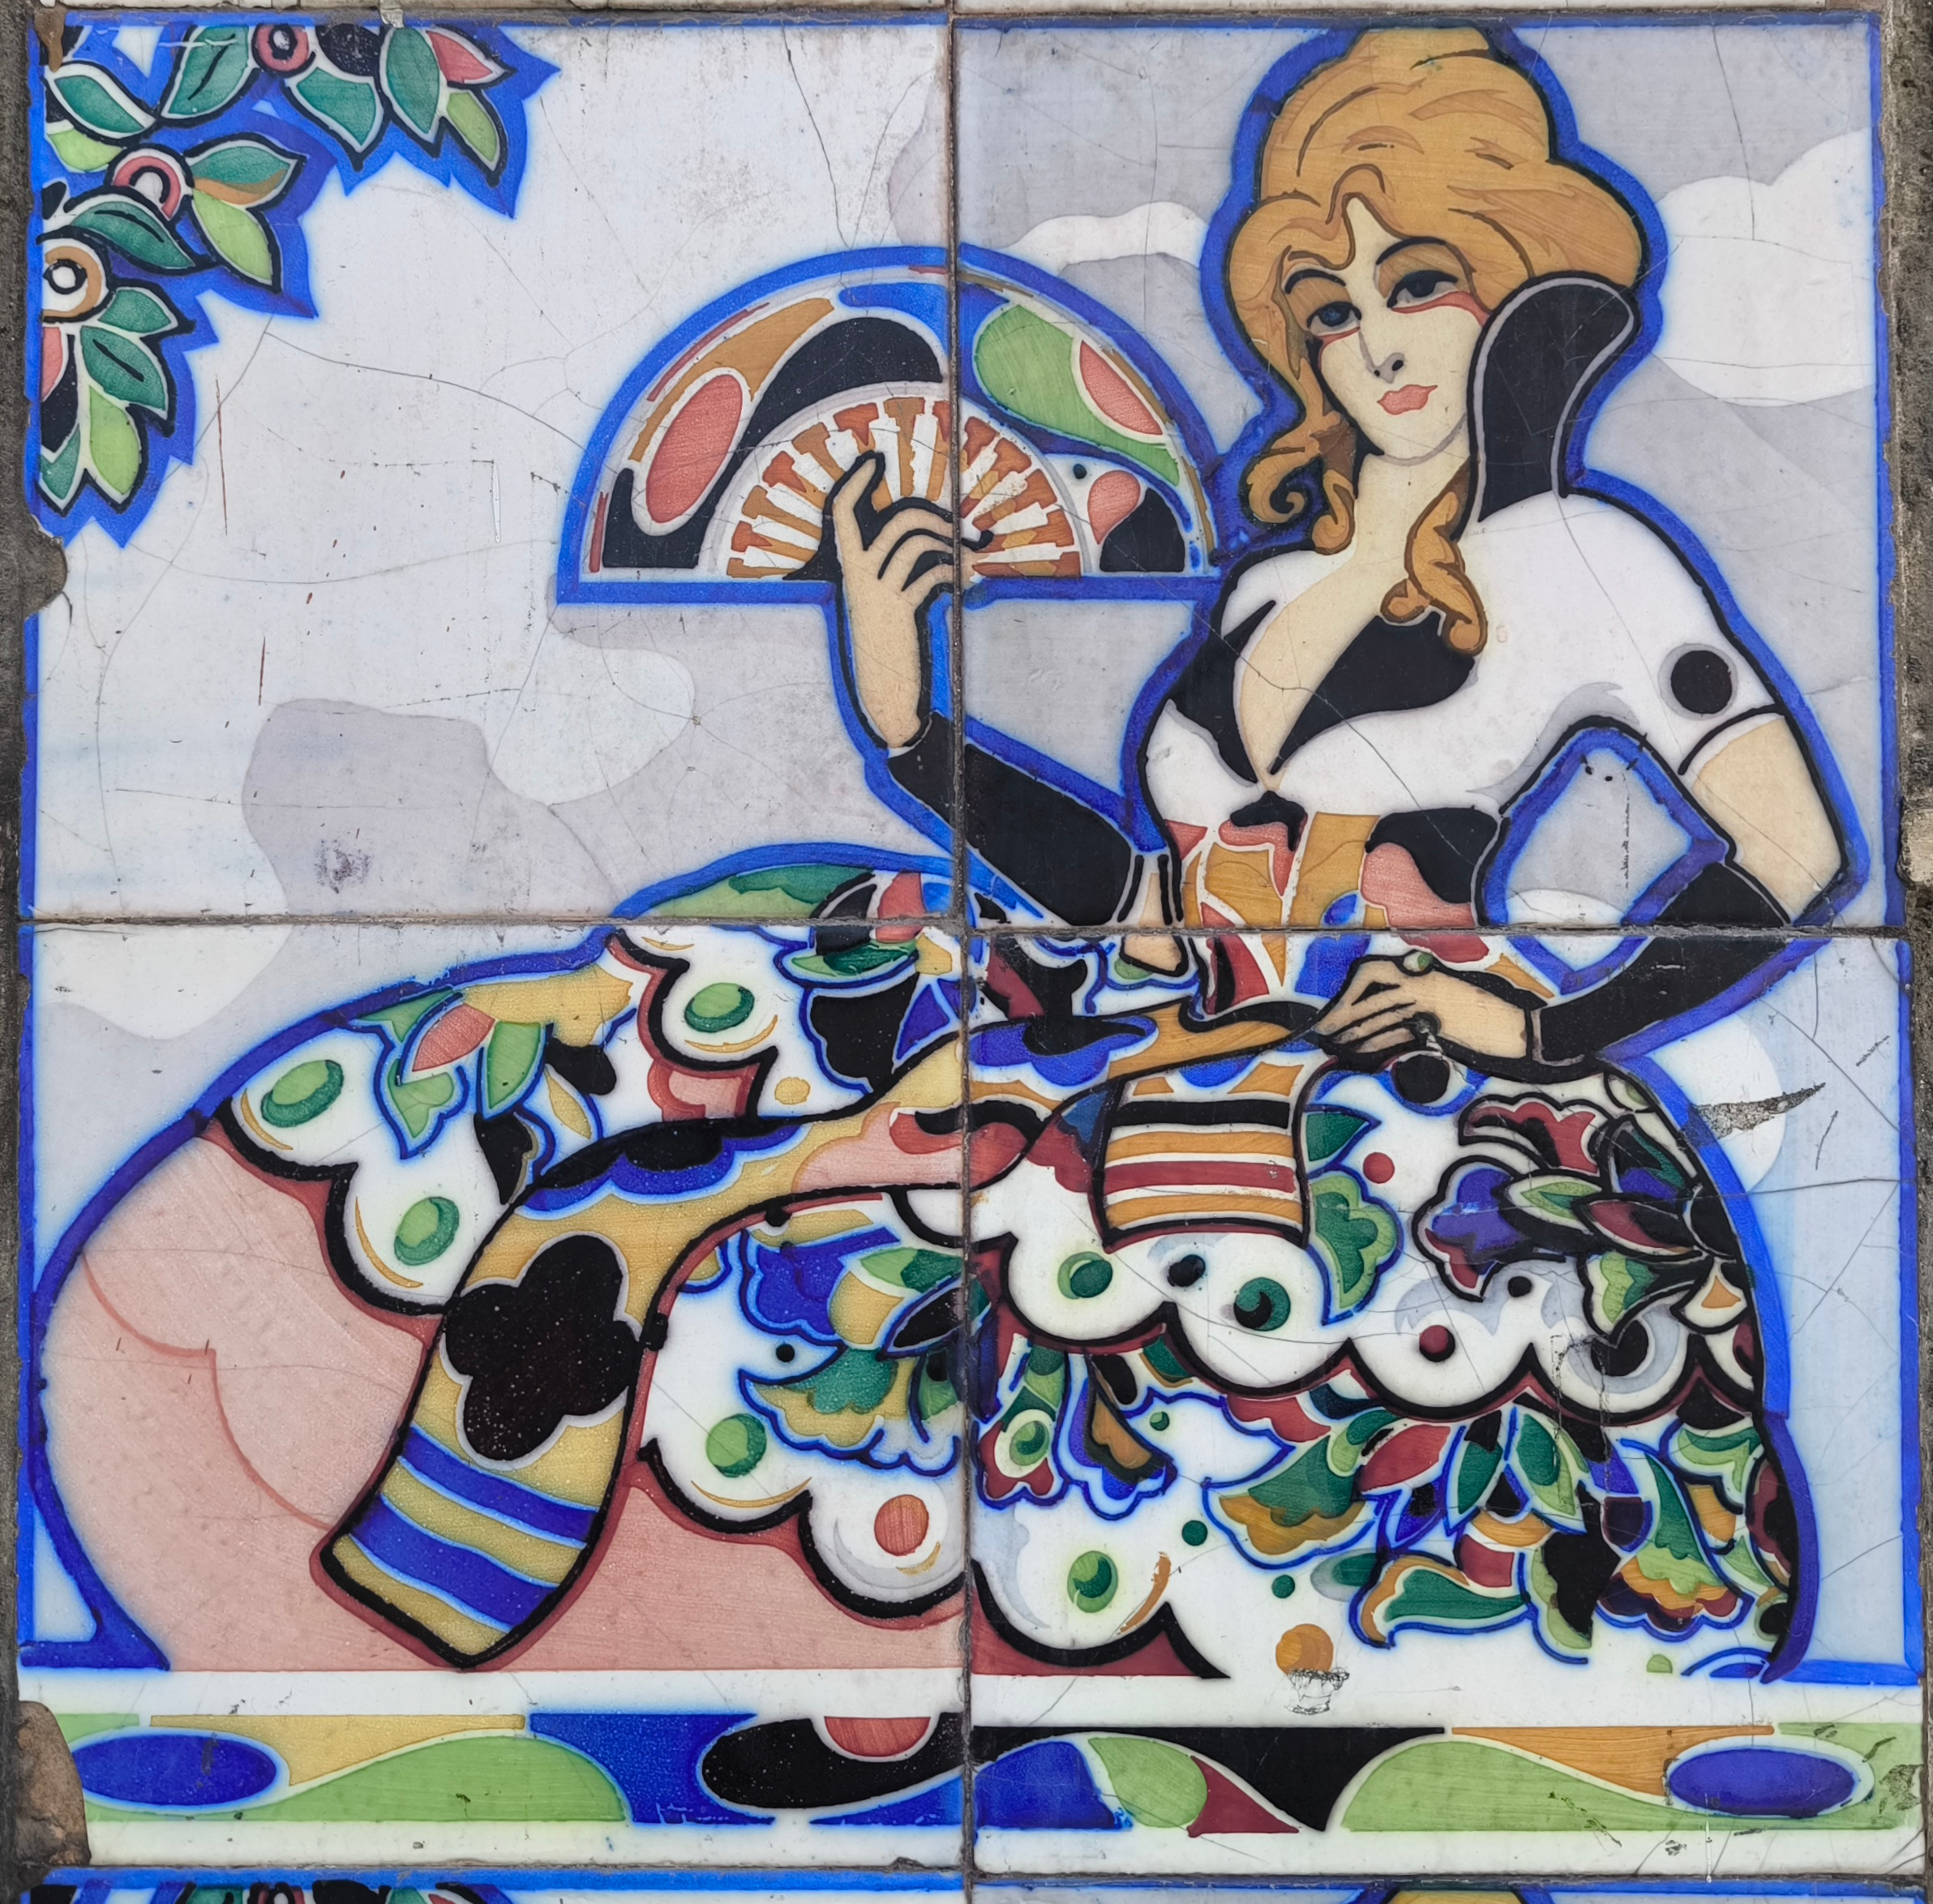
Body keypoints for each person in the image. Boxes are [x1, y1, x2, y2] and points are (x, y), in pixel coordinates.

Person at [38, 26, 1838, 1682]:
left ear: (1517, 283)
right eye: (1332, 300)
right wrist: (915, 727)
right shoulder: (1281, 582)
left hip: (1371, 1079)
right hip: (1159, 1012)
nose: (1373, 341)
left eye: (1420, 281)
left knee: (872, 1234)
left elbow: (1794, 849)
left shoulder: (1582, 562)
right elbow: (1142, 897)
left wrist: (1548, 1025)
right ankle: (441, 1592)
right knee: (650, 1082)